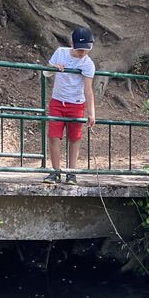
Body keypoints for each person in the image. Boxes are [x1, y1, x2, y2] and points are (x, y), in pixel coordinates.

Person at [42, 27, 96, 185]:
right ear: (72, 44)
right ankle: (55, 171)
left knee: (74, 138)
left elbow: (88, 90)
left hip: (76, 104)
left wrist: (91, 113)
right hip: (57, 101)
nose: (83, 53)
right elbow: (46, 72)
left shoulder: (88, 64)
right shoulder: (60, 52)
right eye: (80, 50)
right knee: (53, 136)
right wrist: (53, 68)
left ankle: (71, 173)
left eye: (87, 50)